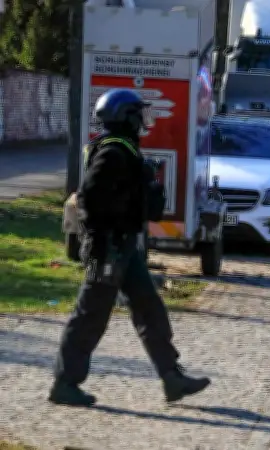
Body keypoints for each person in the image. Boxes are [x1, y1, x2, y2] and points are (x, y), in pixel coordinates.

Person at [49, 89, 210, 406]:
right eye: (138, 114)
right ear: (125, 117)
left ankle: (172, 377)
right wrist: (105, 236)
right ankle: (64, 383)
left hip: (123, 248)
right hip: (106, 250)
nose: (143, 121)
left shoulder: (122, 149)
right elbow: (89, 198)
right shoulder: (113, 152)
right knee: (90, 314)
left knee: (149, 308)